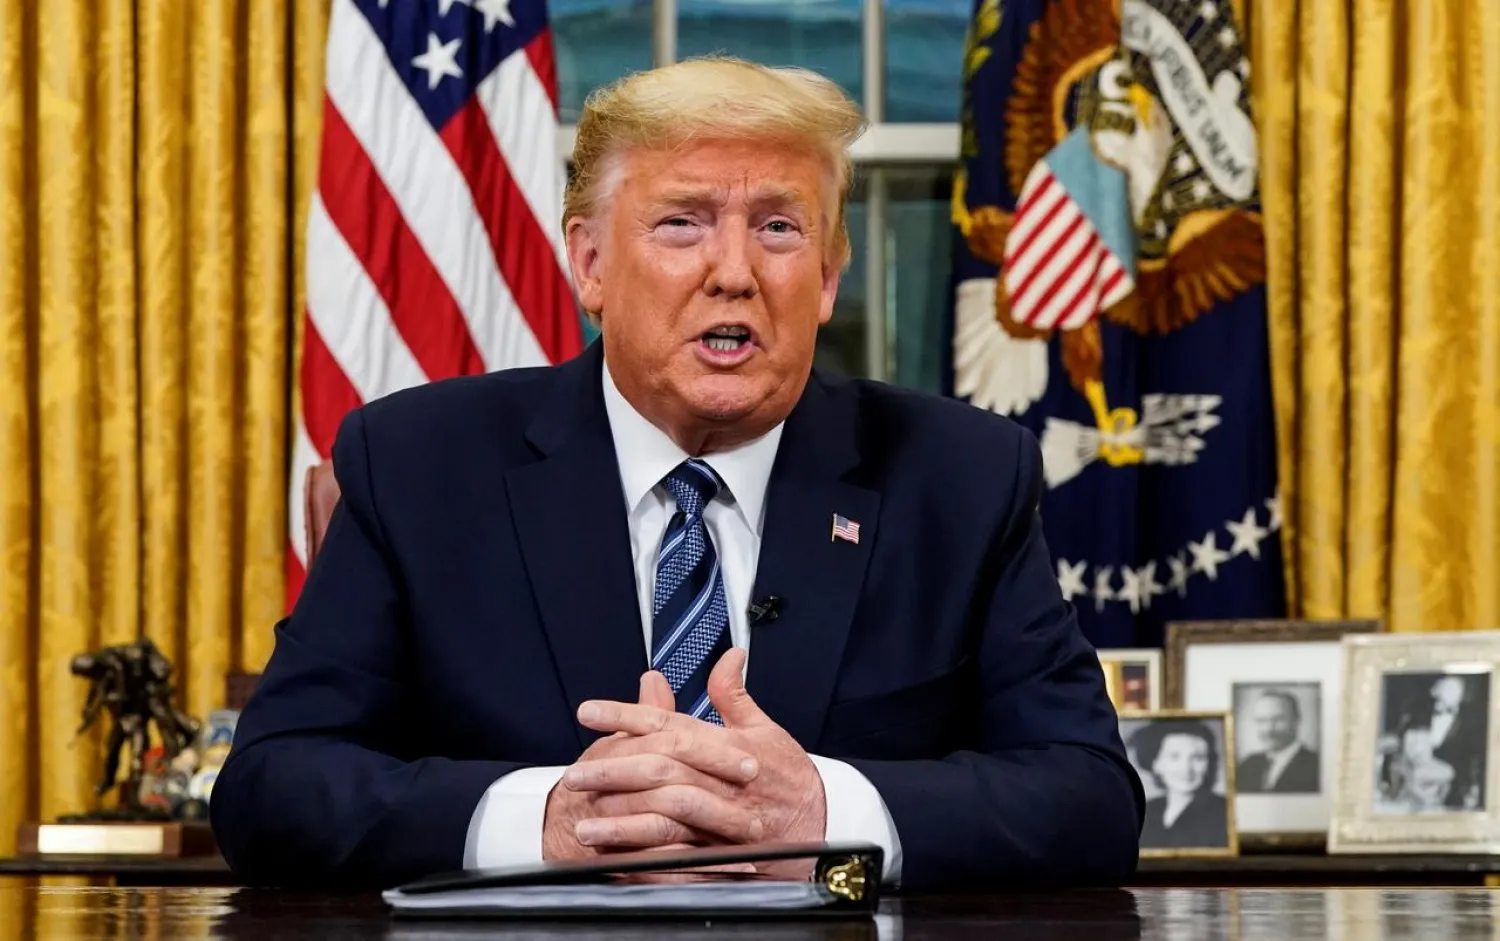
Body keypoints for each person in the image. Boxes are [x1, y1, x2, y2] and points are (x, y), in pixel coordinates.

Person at [209, 56, 1144, 891]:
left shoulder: (961, 478)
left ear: (826, 276)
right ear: (589, 263)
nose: (733, 271)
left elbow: (1091, 798)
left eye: (778, 227)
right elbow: (272, 785)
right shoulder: (417, 466)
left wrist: (823, 811)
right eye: (681, 224)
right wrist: (552, 820)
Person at [1131, 721, 1229, 849]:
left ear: (1209, 764)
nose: (1186, 769)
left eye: (1198, 758)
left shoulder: (1223, 811)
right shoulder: (1146, 810)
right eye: (1174, 757)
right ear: (1156, 763)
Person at [1236, 689, 1319, 794]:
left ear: (1296, 720)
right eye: (1261, 720)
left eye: (1278, 719)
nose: (1268, 729)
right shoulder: (1247, 765)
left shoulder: (1316, 767)